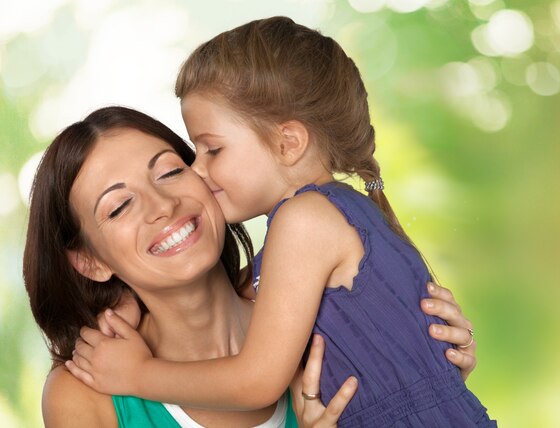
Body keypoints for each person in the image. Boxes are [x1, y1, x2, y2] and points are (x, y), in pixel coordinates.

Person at [67, 17, 495, 426]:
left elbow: (257, 381)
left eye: (212, 150)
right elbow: (247, 289)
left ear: (288, 143)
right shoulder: (329, 214)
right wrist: (123, 299)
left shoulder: (303, 220)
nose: (197, 170)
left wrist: (137, 374)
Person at [25, 106, 363, 427]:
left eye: (170, 172)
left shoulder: (324, 315)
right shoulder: (84, 392)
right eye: (119, 207)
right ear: (90, 262)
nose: (163, 205)